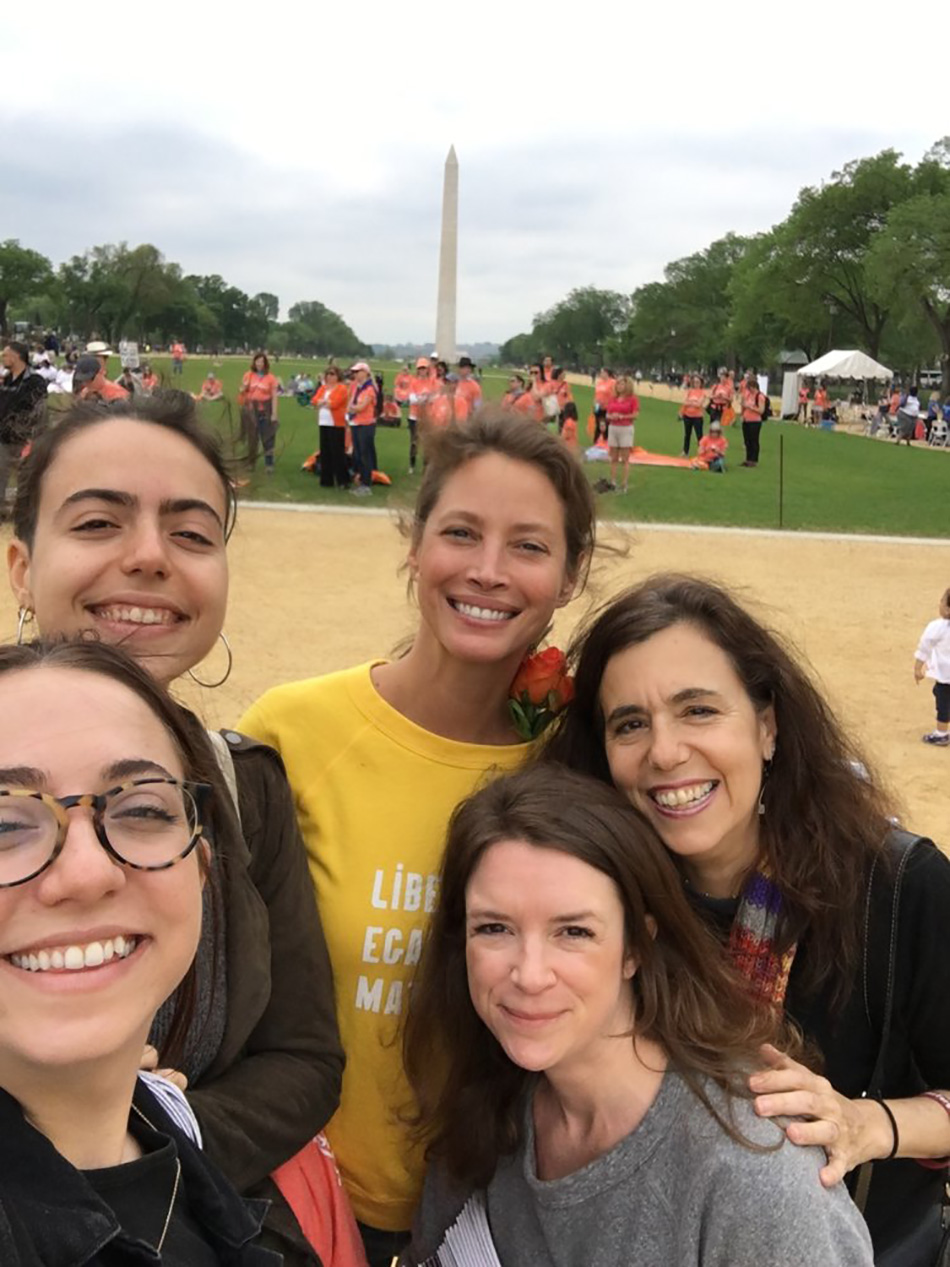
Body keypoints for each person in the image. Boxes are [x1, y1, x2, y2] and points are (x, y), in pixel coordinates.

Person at [239, 409, 597, 1267]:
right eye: (461, 532)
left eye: (528, 545)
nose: (487, 570)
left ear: (571, 574)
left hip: (502, 1209)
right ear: (414, 542)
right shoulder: (293, 732)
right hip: (301, 1202)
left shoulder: (580, 767)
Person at [7, 391, 344, 1264]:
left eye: (191, 533)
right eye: (98, 522)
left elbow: (304, 1056)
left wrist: (153, 1134)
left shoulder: (248, 788)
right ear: (20, 564)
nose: (150, 556)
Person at [542, 573, 950, 1263]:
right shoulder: (593, 900)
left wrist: (866, 1124)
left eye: (698, 710)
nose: (664, 751)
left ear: (767, 725)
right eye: (630, 724)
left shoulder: (898, 888)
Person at [402, 765, 874, 1267]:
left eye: (574, 932)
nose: (530, 975)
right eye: (494, 928)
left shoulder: (754, 1177)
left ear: (636, 948)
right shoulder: (488, 1101)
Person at [0, 637, 279, 1263]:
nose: (86, 873)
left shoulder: (171, 1146)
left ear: (201, 869)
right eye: (5, 824)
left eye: (143, 810)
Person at [0, 340, 48, 516]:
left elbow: (39, 412)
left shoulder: (35, 382)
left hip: (26, 439)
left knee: (27, 480)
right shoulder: (6, 380)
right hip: (4, 439)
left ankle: (24, 514)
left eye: (5, 355)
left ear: (16, 357)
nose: (3, 358)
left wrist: (33, 438)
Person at [914, 586, 950, 746]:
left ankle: (941, 734)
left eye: (942, 601)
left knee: (943, 703)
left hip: (945, 676)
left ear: (948, 610)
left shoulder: (937, 627)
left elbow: (924, 648)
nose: (939, 603)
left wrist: (917, 668)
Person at [240, 352, 280, 474]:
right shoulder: (248, 375)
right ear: (254, 362)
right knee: (252, 438)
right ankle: (251, 463)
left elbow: (274, 396)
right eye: (257, 361)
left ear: (265, 363)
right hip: (251, 410)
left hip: (265, 411)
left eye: (262, 361)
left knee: (268, 437)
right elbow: (241, 391)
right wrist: (244, 387)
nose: (259, 364)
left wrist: (274, 413)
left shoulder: (271, 378)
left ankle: (269, 464)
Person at [312, 365, 351, 489]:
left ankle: (342, 480)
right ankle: (326, 480)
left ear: (338, 376)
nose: (329, 376)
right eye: (328, 374)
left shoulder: (342, 388)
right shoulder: (323, 388)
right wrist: (324, 402)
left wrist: (323, 402)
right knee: (325, 451)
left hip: (336, 423)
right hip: (323, 422)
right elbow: (314, 400)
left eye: (332, 374)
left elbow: (335, 404)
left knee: (337, 452)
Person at [346, 361, 378, 496]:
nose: (355, 374)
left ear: (365, 373)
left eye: (358, 372)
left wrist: (352, 408)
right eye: (354, 372)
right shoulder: (357, 387)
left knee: (365, 455)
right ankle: (360, 480)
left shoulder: (369, 389)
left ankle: (366, 484)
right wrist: (351, 409)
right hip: (355, 423)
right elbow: (350, 404)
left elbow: (361, 407)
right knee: (358, 454)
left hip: (366, 424)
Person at [606, 374, 638, 494]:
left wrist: (622, 416)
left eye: (622, 384)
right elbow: (607, 414)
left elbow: (635, 414)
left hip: (625, 428)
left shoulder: (632, 399)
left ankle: (624, 483)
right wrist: (611, 416)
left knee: (625, 458)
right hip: (613, 427)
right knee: (613, 457)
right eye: (618, 384)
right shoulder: (613, 398)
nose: (619, 386)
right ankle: (613, 481)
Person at [738, 369, 767, 466]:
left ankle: (754, 460)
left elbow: (761, 410)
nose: (749, 390)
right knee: (747, 441)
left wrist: (750, 407)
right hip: (746, 420)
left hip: (755, 421)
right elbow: (744, 405)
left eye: (750, 388)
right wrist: (742, 413)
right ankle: (748, 458)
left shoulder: (760, 396)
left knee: (754, 440)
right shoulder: (748, 395)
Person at [679, 373, 708, 456]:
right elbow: (685, 402)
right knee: (687, 434)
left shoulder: (702, 392)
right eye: (694, 382)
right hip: (687, 415)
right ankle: (685, 451)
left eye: (698, 382)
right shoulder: (690, 391)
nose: (696, 384)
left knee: (699, 435)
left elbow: (699, 404)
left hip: (697, 417)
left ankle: (702, 452)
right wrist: (693, 403)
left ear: (701, 383)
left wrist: (690, 402)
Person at [453, 356, 481, 421]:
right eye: (463, 368)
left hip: (467, 418)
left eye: (467, 368)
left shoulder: (474, 386)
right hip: (454, 417)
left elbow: (478, 405)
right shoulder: (454, 383)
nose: (466, 370)